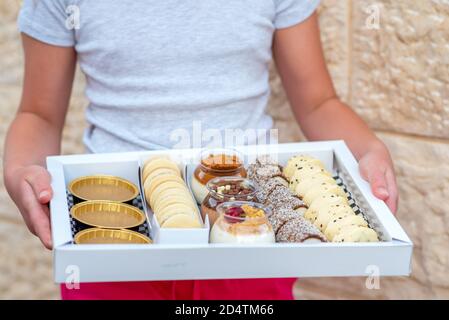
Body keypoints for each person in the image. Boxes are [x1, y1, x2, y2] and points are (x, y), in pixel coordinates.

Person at [3, 0, 397, 300]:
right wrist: (21, 169)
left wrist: (367, 150)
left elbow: (318, 103)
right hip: (111, 239)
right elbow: (38, 113)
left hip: (251, 245)